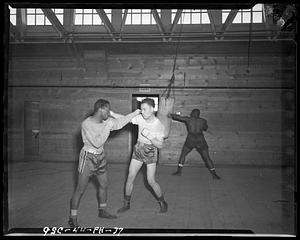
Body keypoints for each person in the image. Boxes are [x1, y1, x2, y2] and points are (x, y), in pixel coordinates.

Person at [68, 99, 141, 227]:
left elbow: (120, 122)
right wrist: (108, 126)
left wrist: (134, 113)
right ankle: (72, 217)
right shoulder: (87, 124)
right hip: (88, 158)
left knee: (104, 184)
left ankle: (102, 210)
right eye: (108, 110)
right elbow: (97, 143)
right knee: (80, 189)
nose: (110, 112)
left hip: (100, 158)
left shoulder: (106, 121)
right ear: (101, 109)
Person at [117, 98, 168, 214]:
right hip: (139, 149)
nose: (142, 111)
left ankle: (162, 202)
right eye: (141, 109)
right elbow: (124, 119)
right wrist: (111, 114)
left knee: (151, 180)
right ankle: (126, 204)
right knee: (130, 176)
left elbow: (160, 145)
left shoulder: (158, 125)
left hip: (150, 151)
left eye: (144, 109)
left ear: (152, 109)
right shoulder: (140, 118)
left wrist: (150, 136)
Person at [169, 109, 221, 179]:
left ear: (193, 113)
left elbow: (178, 117)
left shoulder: (188, 119)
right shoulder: (203, 120)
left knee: (183, 154)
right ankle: (214, 174)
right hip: (200, 139)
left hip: (191, 139)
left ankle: (179, 171)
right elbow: (205, 128)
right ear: (198, 114)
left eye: (192, 113)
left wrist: (170, 114)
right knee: (207, 157)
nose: (191, 114)